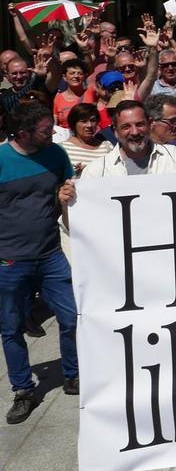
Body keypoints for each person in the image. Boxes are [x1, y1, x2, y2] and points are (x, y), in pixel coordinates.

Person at [0, 102, 78, 423]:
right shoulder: (2, 159)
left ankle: (73, 374)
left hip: (50, 255)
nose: (52, 134)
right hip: (9, 261)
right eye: (45, 130)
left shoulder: (56, 154)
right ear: (22, 132)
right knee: (11, 327)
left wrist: (68, 192)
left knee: (72, 316)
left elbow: (70, 191)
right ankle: (23, 390)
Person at [81, 101, 176, 177]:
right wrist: (66, 204)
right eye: (126, 127)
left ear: (150, 124)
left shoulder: (174, 156)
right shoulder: (97, 170)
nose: (135, 132)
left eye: (140, 124)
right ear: (115, 131)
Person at [60, 103, 113, 175]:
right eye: (83, 121)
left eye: (93, 120)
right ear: (74, 123)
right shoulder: (62, 149)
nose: (89, 125)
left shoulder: (107, 146)